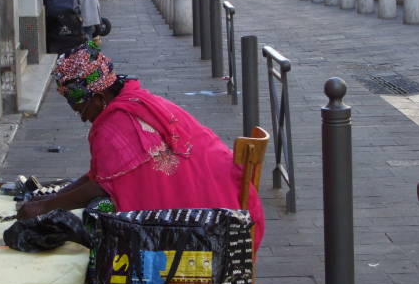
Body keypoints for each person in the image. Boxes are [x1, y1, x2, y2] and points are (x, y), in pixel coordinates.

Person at [16, 43, 265, 251]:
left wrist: (46, 206)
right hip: (230, 203)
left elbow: (101, 184)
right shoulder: (137, 100)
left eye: (81, 108)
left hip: (211, 224)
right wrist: (54, 197)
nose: (82, 117)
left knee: (100, 214)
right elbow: (101, 175)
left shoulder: (115, 125)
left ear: (100, 98)